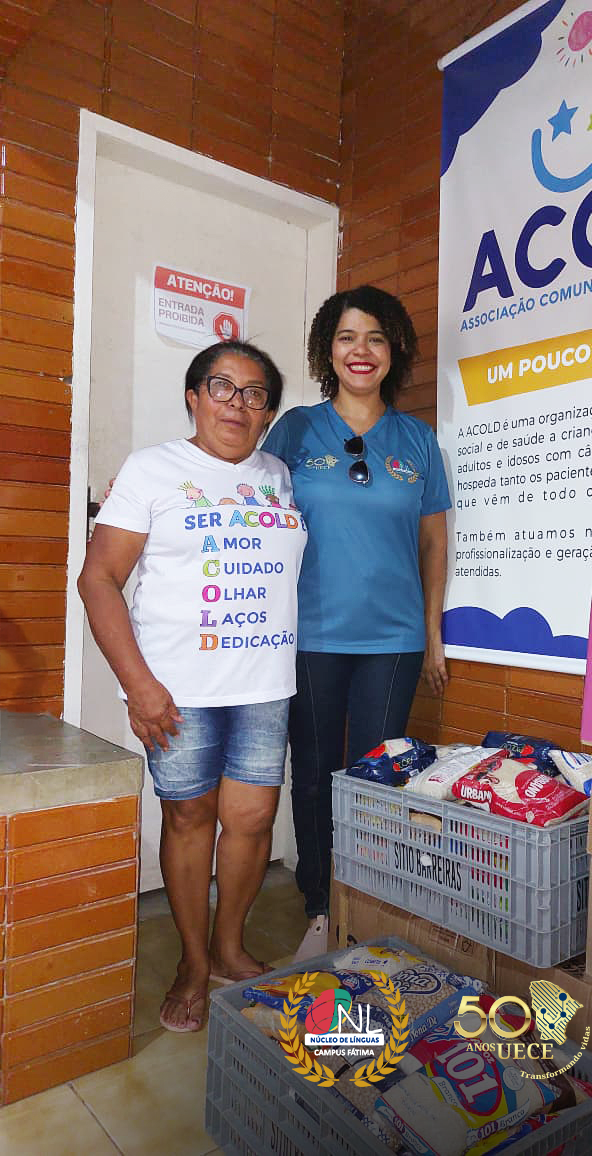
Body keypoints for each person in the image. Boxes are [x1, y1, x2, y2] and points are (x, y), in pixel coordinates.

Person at [78, 341, 306, 1032]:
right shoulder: (152, 469)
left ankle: (228, 947)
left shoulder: (278, 475)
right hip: (177, 691)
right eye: (221, 386)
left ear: (268, 412)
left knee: (253, 820)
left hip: (264, 683)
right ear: (193, 396)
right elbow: (98, 579)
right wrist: (137, 684)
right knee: (188, 819)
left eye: (255, 393)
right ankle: (192, 961)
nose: (237, 403)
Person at [263, 285, 451, 960]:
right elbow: (251, 508)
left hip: (393, 641)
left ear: (393, 349)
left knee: (376, 775)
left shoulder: (417, 440)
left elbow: (433, 543)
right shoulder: (294, 430)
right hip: (310, 634)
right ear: (328, 349)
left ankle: (363, 900)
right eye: (346, 337)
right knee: (314, 772)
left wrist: (432, 635)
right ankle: (321, 904)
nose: (360, 350)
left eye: (374, 337)